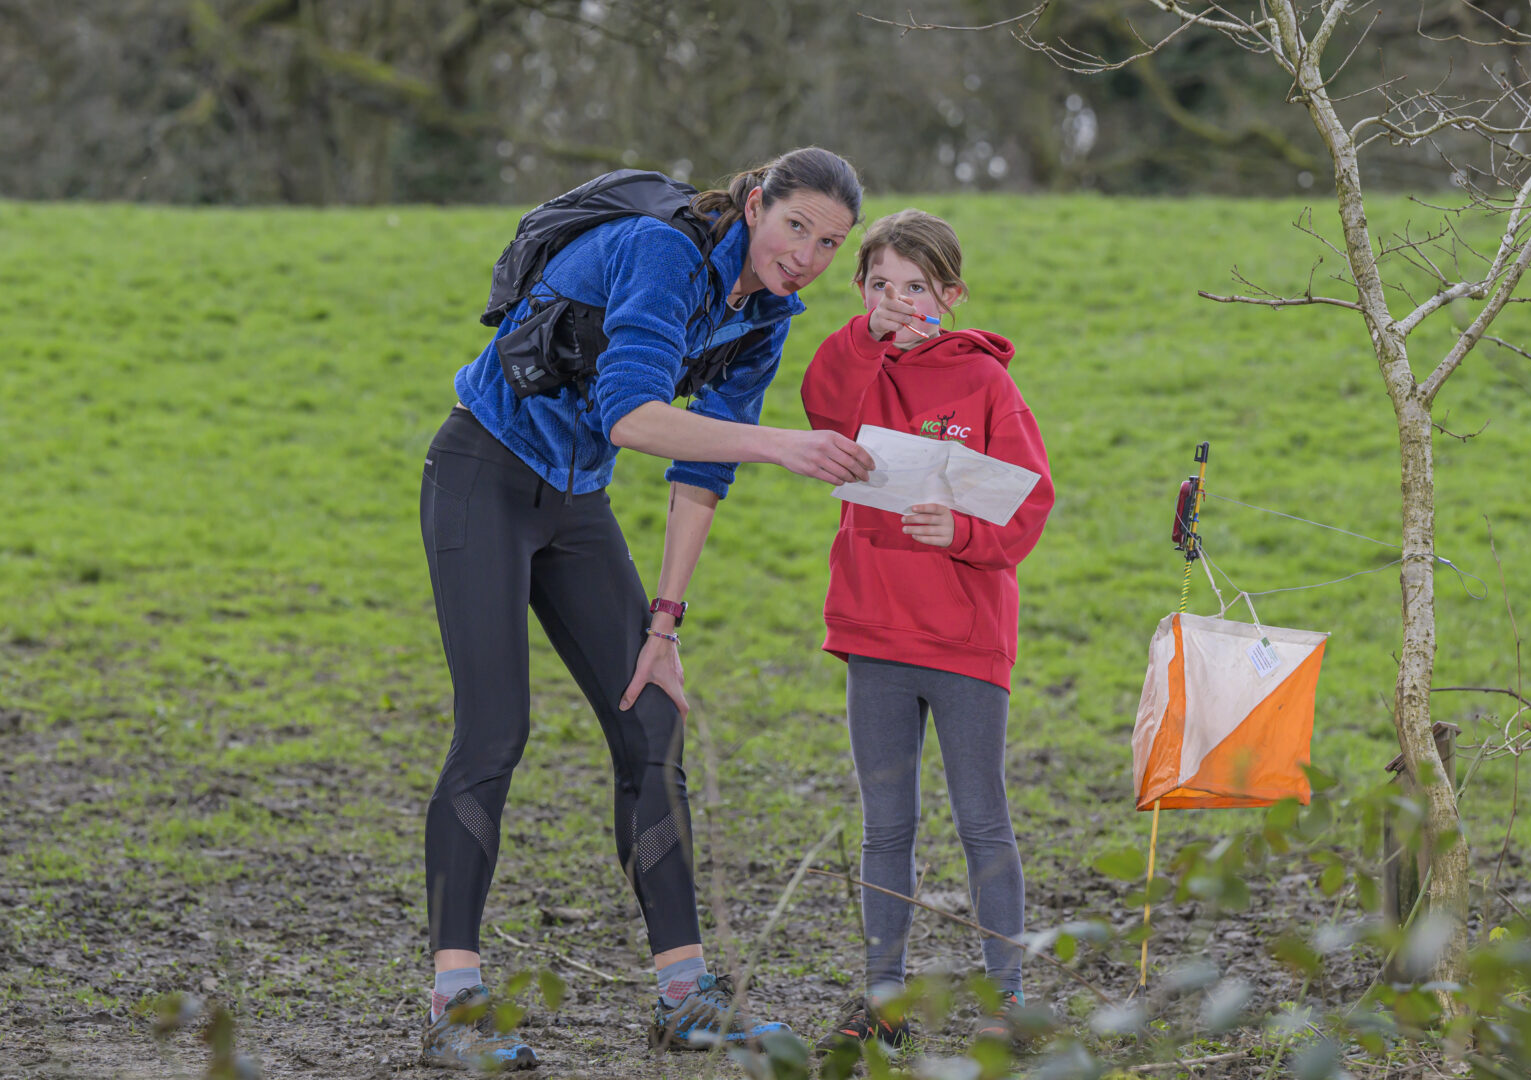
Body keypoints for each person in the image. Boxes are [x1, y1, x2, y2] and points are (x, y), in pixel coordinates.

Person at [417, 148, 872, 1071]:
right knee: (495, 731)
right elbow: (632, 414)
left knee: (650, 719)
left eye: (830, 243)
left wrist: (663, 623)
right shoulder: (662, 254)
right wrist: (785, 444)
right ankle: (453, 1006)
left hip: (573, 499)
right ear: (754, 206)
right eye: (796, 228)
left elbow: (700, 472)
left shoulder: (764, 316)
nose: (808, 256)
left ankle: (685, 998)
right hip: (482, 476)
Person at [799, 208, 1055, 1055]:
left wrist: (967, 535)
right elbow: (821, 406)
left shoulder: (985, 384)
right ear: (861, 291)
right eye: (880, 285)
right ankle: (883, 996)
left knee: (982, 818)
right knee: (885, 826)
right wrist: (859, 338)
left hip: (964, 638)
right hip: (872, 630)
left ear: (950, 295)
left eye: (915, 287)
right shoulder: (858, 368)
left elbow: (1028, 500)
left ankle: (1007, 996)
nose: (898, 301)